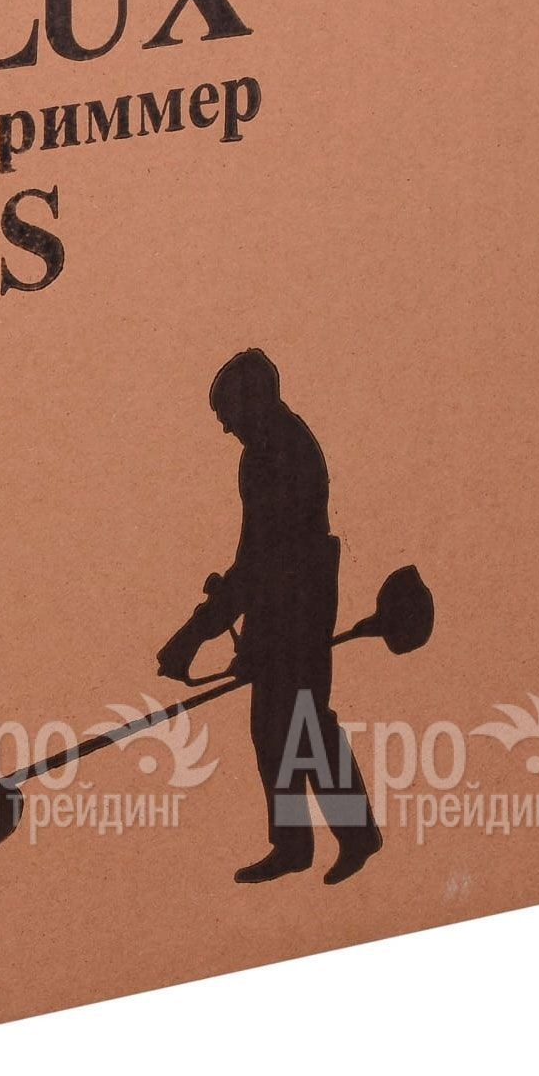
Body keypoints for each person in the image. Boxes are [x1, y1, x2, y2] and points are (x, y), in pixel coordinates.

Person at [156, 349, 381, 885]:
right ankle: (299, 844)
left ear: (254, 400)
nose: (226, 427)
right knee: (278, 730)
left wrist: (196, 633)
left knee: (304, 725)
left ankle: (347, 837)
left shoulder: (276, 453)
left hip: (297, 612)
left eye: (228, 414)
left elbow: (262, 560)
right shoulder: (268, 448)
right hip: (286, 609)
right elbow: (256, 557)